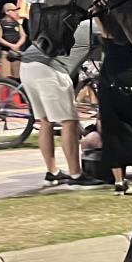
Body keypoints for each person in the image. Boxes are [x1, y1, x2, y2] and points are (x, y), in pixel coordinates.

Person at [17, 19, 103, 186]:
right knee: (69, 121)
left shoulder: (69, 21)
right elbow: (114, 50)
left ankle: (52, 172)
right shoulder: (94, 25)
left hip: (27, 64)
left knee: (46, 121)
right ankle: (76, 175)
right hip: (50, 68)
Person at [94, 18, 132, 195]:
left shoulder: (108, 32)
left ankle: (119, 182)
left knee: (111, 131)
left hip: (109, 82)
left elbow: (99, 20)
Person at [0, 2, 26, 80]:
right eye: (14, 10)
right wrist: (11, 46)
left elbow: (23, 36)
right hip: (5, 53)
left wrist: (17, 45)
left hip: (16, 53)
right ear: (7, 12)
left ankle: (14, 92)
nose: (16, 12)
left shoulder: (17, 24)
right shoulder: (0, 23)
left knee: (15, 77)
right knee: (4, 77)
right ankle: (0, 93)